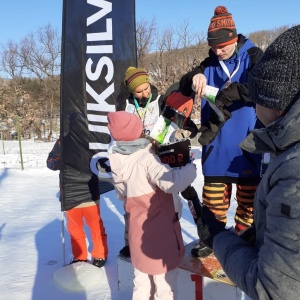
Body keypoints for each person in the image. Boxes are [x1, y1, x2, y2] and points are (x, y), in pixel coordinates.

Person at [197, 25, 300, 300]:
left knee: (248, 205)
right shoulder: (286, 148)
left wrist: (218, 235)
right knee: (220, 205)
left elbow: (273, 288)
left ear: (277, 102)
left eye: (257, 99)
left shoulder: (293, 172)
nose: (254, 108)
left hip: (247, 158)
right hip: (218, 154)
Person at [179, 5, 263, 257]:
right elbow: (183, 86)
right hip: (216, 143)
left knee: (248, 202)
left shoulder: (254, 56)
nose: (218, 51)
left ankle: (245, 238)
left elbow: (265, 84)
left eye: (223, 46)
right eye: (214, 47)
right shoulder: (209, 64)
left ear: (234, 38)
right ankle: (212, 239)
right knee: (213, 200)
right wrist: (194, 76)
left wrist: (234, 91)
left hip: (248, 142)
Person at [107, 111, 197, 299]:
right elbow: (172, 182)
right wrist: (190, 168)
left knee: (141, 282)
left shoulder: (117, 161)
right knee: (165, 285)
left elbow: (122, 195)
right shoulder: (146, 158)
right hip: (161, 235)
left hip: (137, 234)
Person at [118, 66, 202, 258]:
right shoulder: (126, 106)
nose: (143, 93)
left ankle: (205, 234)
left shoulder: (162, 101)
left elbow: (188, 125)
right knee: (135, 202)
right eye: (138, 91)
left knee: (184, 193)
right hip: (139, 160)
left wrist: (187, 132)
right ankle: (131, 244)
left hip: (166, 156)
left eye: (146, 88)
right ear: (131, 91)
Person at [46, 113, 108, 268]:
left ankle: (100, 254)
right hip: (70, 192)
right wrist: (59, 163)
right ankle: (79, 256)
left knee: (96, 226)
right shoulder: (63, 142)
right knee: (74, 228)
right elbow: (50, 162)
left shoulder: (93, 142)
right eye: (75, 125)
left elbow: (103, 162)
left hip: (90, 191)